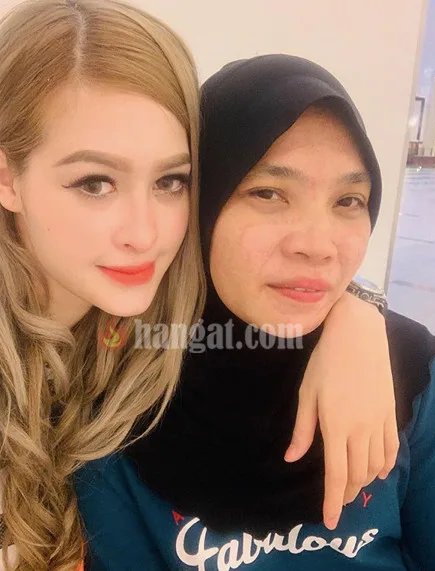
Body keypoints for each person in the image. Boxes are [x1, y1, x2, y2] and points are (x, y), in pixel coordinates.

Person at [0, 0, 396, 568]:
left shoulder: (158, 318)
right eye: (94, 182)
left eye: (171, 181)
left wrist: (361, 314)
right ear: (8, 178)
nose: (144, 234)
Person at [75, 55, 435, 571]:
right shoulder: (119, 396)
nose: (318, 246)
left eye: (348, 200)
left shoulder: (416, 378)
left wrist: (365, 311)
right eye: (268, 193)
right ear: (201, 205)